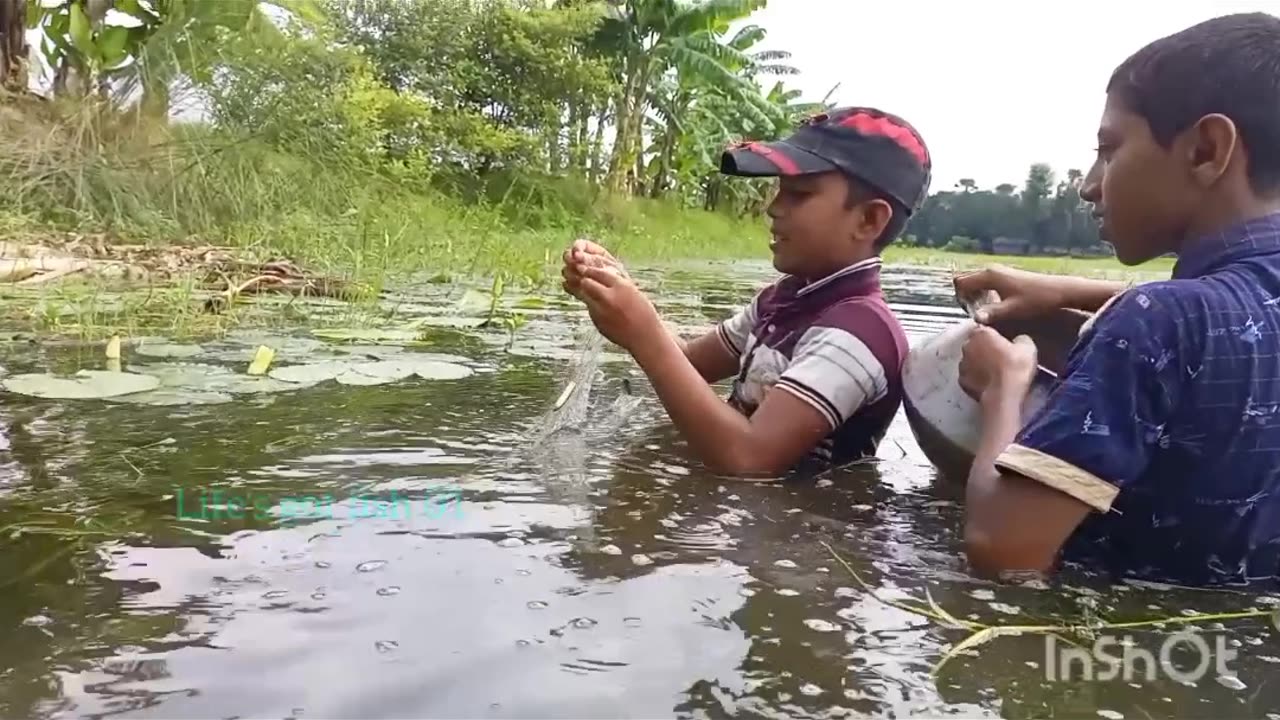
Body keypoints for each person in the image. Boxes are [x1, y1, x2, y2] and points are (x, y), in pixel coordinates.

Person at [953, 12, 1280, 588]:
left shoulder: (1157, 322)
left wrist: (1002, 389)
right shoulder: (1184, 315)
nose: (1089, 183)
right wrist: (1070, 290)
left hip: (1143, 648)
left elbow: (1005, 549)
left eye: (1109, 149)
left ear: (1206, 150)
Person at [560, 106, 933, 478]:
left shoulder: (859, 333)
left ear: (868, 220)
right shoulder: (784, 298)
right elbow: (692, 362)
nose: (773, 208)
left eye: (799, 194)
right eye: (779, 191)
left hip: (797, 531)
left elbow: (749, 458)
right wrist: (620, 295)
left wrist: (642, 333)